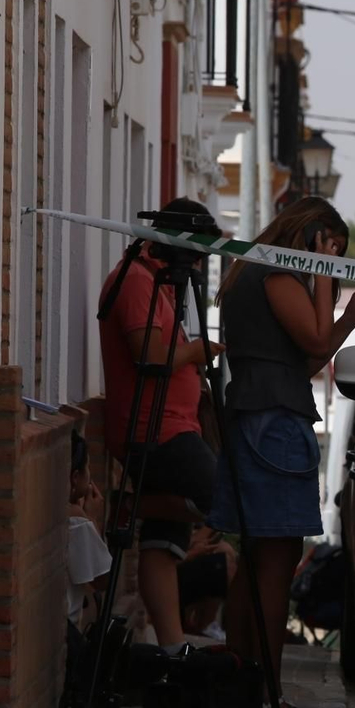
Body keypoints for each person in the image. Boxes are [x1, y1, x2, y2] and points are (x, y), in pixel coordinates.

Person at [213, 197, 355, 708]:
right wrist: (326, 276)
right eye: (330, 248)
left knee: (256, 559)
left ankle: (241, 690)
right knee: (275, 566)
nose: (331, 260)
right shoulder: (278, 270)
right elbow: (310, 339)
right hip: (272, 426)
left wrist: (348, 318)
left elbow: (305, 358)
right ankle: (268, 698)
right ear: (312, 237)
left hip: (257, 419)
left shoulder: (254, 268)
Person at [97, 198, 222, 658]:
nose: (201, 266)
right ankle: (133, 502)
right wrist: (200, 352)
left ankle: (171, 649)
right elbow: (150, 356)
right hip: (157, 432)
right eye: (199, 255)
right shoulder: (134, 282)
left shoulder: (158, 285)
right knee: (225, 498)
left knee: (163, 541)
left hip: (172, 425)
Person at [62, 431, 110, 708]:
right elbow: (102, 578)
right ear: (76, 477)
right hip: (67, 636)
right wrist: (94, 519)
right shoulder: (77, 522)